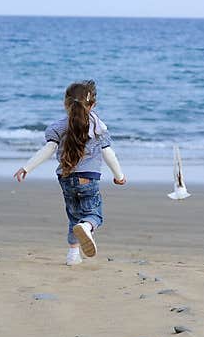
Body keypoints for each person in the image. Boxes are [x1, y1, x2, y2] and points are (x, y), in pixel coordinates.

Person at [13, 80, 126, 265]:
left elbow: (48, 150)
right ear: (93, 105)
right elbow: (108, 153)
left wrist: (26, 168)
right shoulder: (98, 128)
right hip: (88, 179)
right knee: (94, 215)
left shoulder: (58, 127)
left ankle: (73, 256)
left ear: (66, 104)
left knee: (74, 216)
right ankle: (87, 226)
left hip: (66, 179)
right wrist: (119, 176)